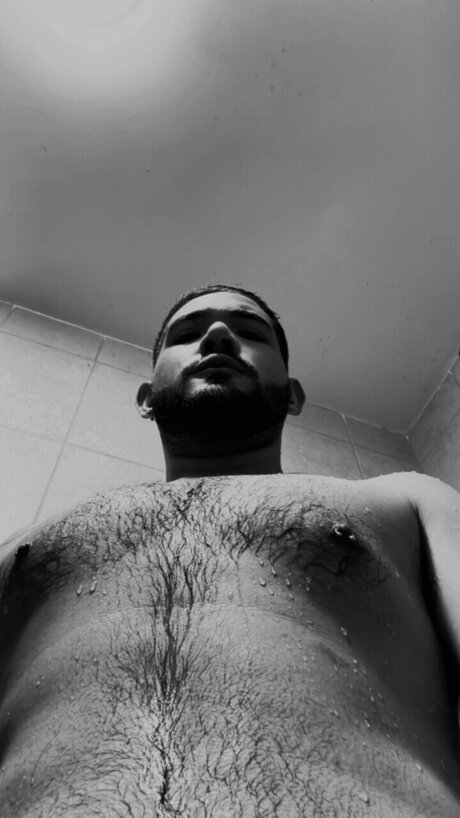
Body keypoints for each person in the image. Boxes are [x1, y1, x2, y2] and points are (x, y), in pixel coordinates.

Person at [0, 283, 459, 817]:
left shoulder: (407, 500)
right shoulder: (22, 543)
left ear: (293, 395)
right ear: (146, 397)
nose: (217, 335)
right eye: (187, 334)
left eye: (250, 332)